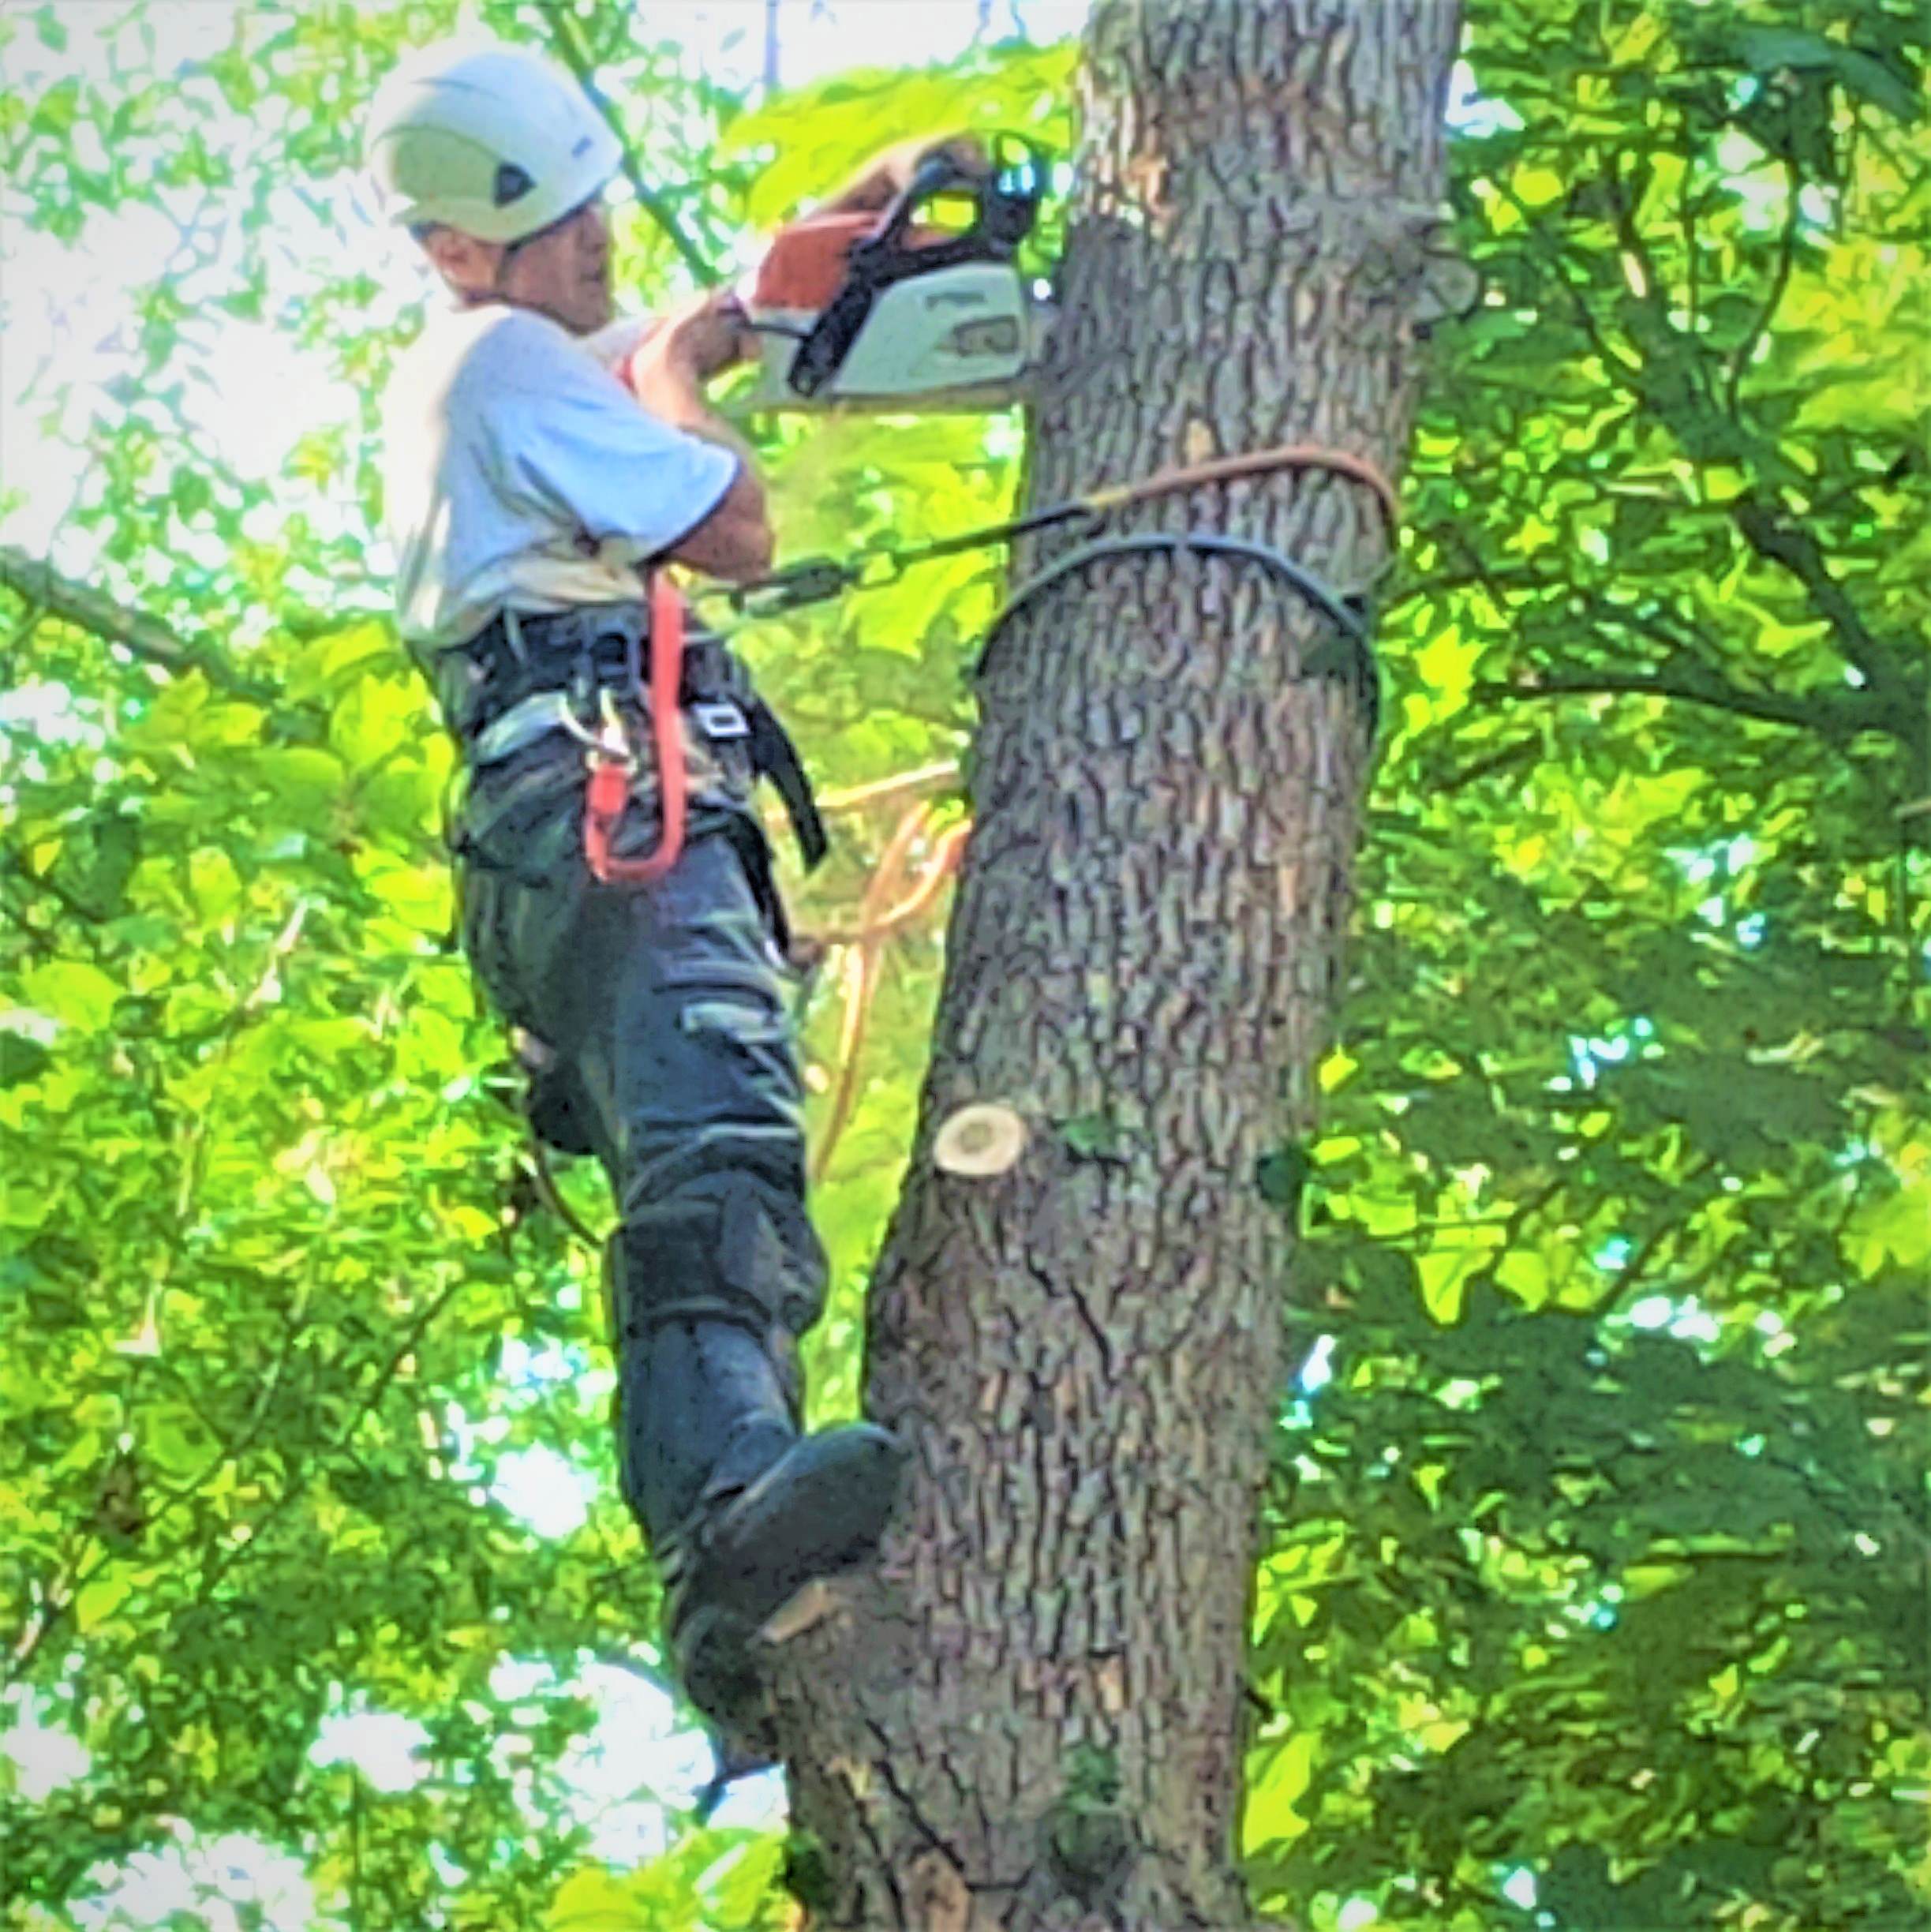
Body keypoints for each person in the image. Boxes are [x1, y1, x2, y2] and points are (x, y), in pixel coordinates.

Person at [362, 36, 967, 1745]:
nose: (593, 247)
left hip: (566, 806)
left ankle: (745, 1541)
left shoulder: (524, 356)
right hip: (609, 787)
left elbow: (667, 337)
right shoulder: (491, 360)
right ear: (461, 253)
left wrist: (816, 252)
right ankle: (726, 1542)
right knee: (715, 1161)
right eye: (557, 231)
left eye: (594, 211)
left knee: (722, 1151)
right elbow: (733, 525)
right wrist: (699, 382)